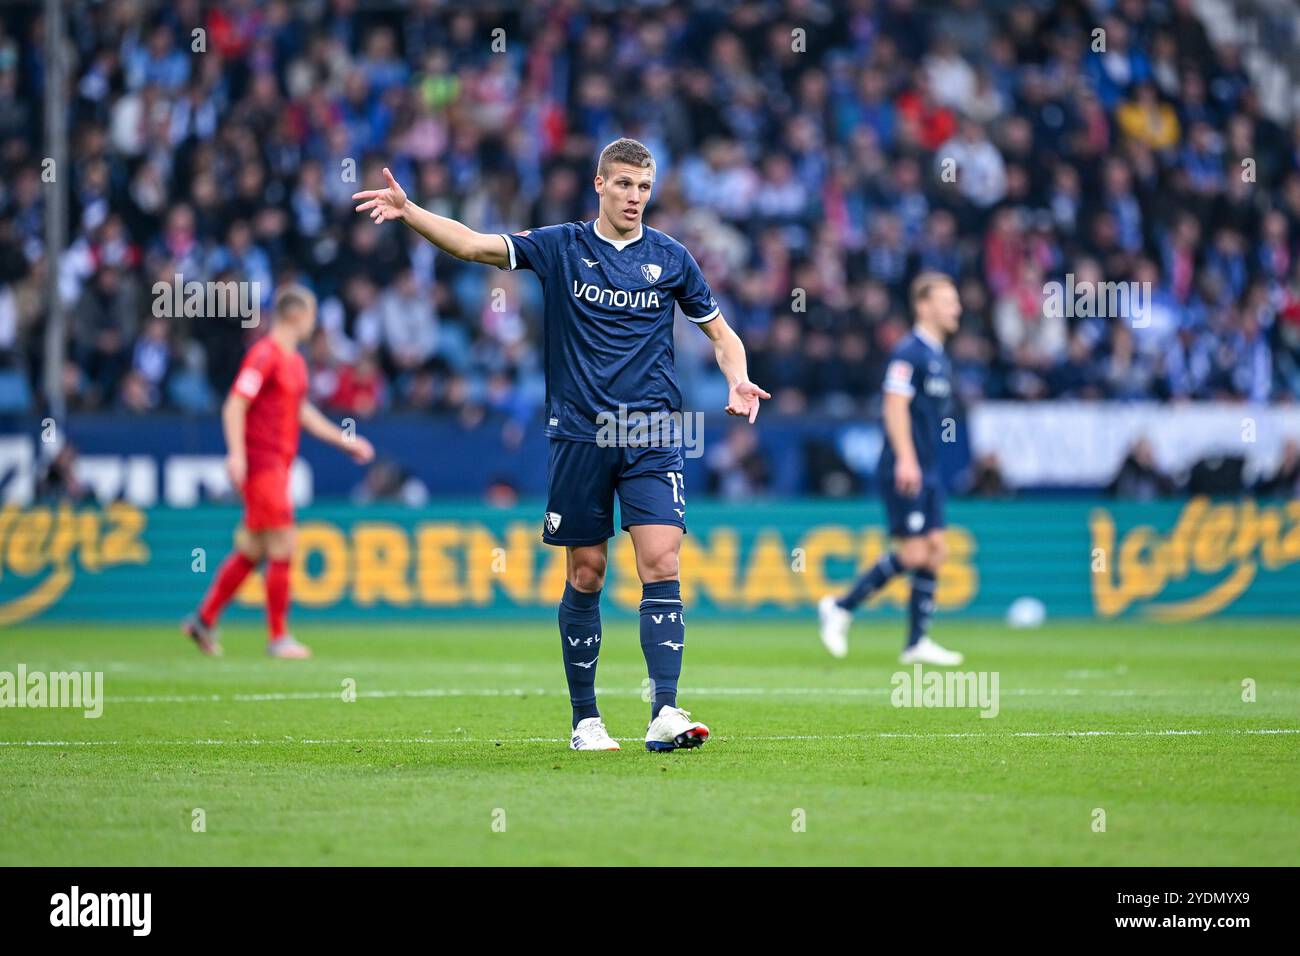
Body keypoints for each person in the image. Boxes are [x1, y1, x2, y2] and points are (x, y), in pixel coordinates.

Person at [353, 138, 770, 750]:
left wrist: (737, 378)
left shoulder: (672, 258)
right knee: (588, 571)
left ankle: (666, 711)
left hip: (652, 431)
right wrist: (411, 211)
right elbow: (473, 244)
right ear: (599, 185)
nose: (635, 197)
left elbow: (722, 333)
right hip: (580, 432)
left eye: (644, 187)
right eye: (624, 184)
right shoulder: (560, 246)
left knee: (662, 562)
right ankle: (586, 720)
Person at [182, 285, 374, 659]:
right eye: (312, 315)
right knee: (285, 541)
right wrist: (237, 455)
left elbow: (302, 412)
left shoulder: (294, 361)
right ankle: (278, 637)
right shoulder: (264, 355)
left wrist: (344, 441)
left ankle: (202, 620)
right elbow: (234, 406)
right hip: (261, 464)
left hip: (280, 465)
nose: (314, 324)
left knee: (253, 548)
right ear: (295, 315)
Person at [818, 272, 965, 666]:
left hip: (927, 467)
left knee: (936, 550)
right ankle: (841, 606)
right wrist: (905, 457)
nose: (957, 308)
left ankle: (917, 642)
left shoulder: (937, 356)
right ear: (924, 305)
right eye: (948, 300)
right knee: (916, 551)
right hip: (907, 465)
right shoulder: (909, 353)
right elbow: (894, 406)